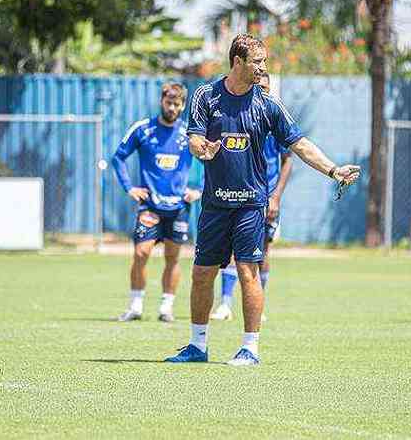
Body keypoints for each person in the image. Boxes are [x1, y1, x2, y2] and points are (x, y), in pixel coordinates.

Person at [165, 34, 360, 365]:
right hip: (214, 205)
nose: (263, 68)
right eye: (258, 62)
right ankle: (198, 346)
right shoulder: (205, 96)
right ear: (238, 62)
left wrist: (333, 170)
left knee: (247, 272)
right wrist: (204, 150)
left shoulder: (268, 105)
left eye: (264, 62)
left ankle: (250, 348)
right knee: (201, 273)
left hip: (250, 205)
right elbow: (195, 140)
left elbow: (299, 144)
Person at [111, 82, 201, 323]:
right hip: (149, 206)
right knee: (141, 253)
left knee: (173, 258)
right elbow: (118, 158)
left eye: (177, 104)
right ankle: (136, 305)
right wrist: (129, 188)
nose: (172, 107)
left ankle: (166, 307)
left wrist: (198, 189)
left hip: (179, 208)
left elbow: (207, 159)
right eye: (168, 102)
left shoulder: (189, 134)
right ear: (161, 101)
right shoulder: (143, 129)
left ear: (183, 106)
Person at [210, 72, 293, 321]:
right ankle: (225, 303)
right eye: (259, 86)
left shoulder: (275, 117)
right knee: (234, 250)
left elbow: (288, 159)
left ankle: (260, 303)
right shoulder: (239, 114)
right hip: (239, 193)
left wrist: (276, 197)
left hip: (266, 197)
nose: (262, 91)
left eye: (266, 87)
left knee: (263, 251)